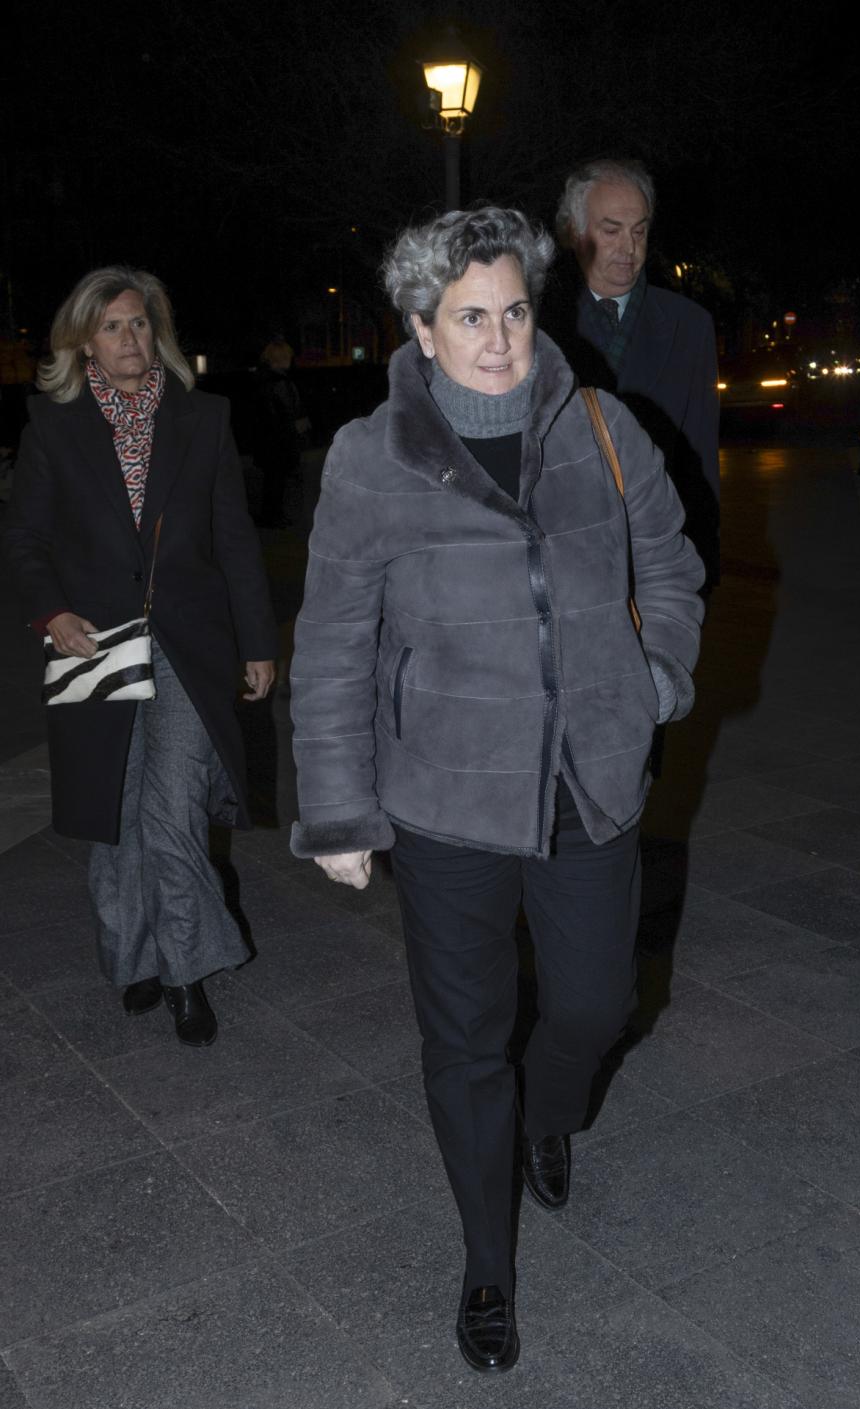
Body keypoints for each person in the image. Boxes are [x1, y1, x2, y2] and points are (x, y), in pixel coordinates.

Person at [289, 208, 704, 1372]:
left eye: (514, 310)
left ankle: (549, 1114)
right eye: (470, 317)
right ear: (422, 329)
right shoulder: (373, 456)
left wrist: (657, 672)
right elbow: (332, 644)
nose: (499, 338)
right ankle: (485, 1259)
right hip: (444, 800)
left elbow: (668, 559)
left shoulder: (602, 427)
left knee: (591, 1005)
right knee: (464, 1039)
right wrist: (338, 807)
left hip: (588, 781)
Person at [1, 266, 277, 1047]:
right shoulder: (53, 426)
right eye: (115, 326)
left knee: (174, 808)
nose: (132, 339)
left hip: (189, 643)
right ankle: (135, 958)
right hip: (94, 643)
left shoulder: (204, 418)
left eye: (142, 324)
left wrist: (258, 643)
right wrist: (49, 610)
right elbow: (24, 538)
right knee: (115, 814)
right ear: (85, 340)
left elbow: (233, 539)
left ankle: (187, 969)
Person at [542, 157, 720, 584]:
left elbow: (701, 462)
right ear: (574, 233)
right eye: (611, 231)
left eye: (639, 231)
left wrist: (701, 572)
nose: (630, 248)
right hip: (562, 565)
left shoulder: (690, 325)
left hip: (656, 562)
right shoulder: (535, 325)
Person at [252, 335, 304, 528]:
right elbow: (287, 414)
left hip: (268, 441)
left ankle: (271, 514)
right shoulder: (279, 383)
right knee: (277, 481)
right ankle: (274, 516)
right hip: (279, 441)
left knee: (272, 480)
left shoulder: (263, 381)